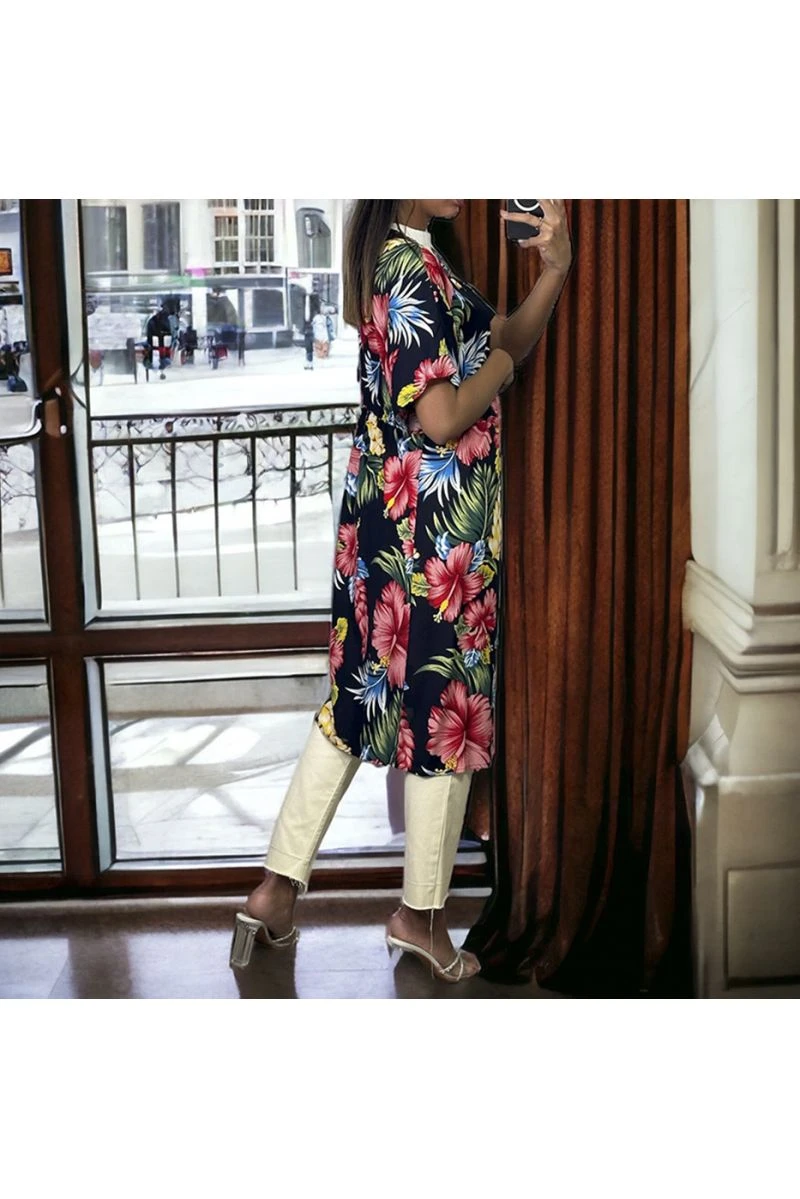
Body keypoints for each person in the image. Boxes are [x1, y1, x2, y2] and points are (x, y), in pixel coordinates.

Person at [231, 199, 572, 983]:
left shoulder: (414, 258)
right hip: (434, 534)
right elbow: (445, 415)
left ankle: (274, 891)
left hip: (388, 523)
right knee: (444, 713)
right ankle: (420, 917)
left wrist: (555, 272)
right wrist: (503, 370)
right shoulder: (409, 269)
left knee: (360, 699)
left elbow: (506, 336)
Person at [145, 301, 172, 380]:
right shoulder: (159, 319)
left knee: (159, 354)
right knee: (159, 354)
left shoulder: (156, 319)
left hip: (159, 341)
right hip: (159, 341)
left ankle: (159, 369)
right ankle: (159, 369)